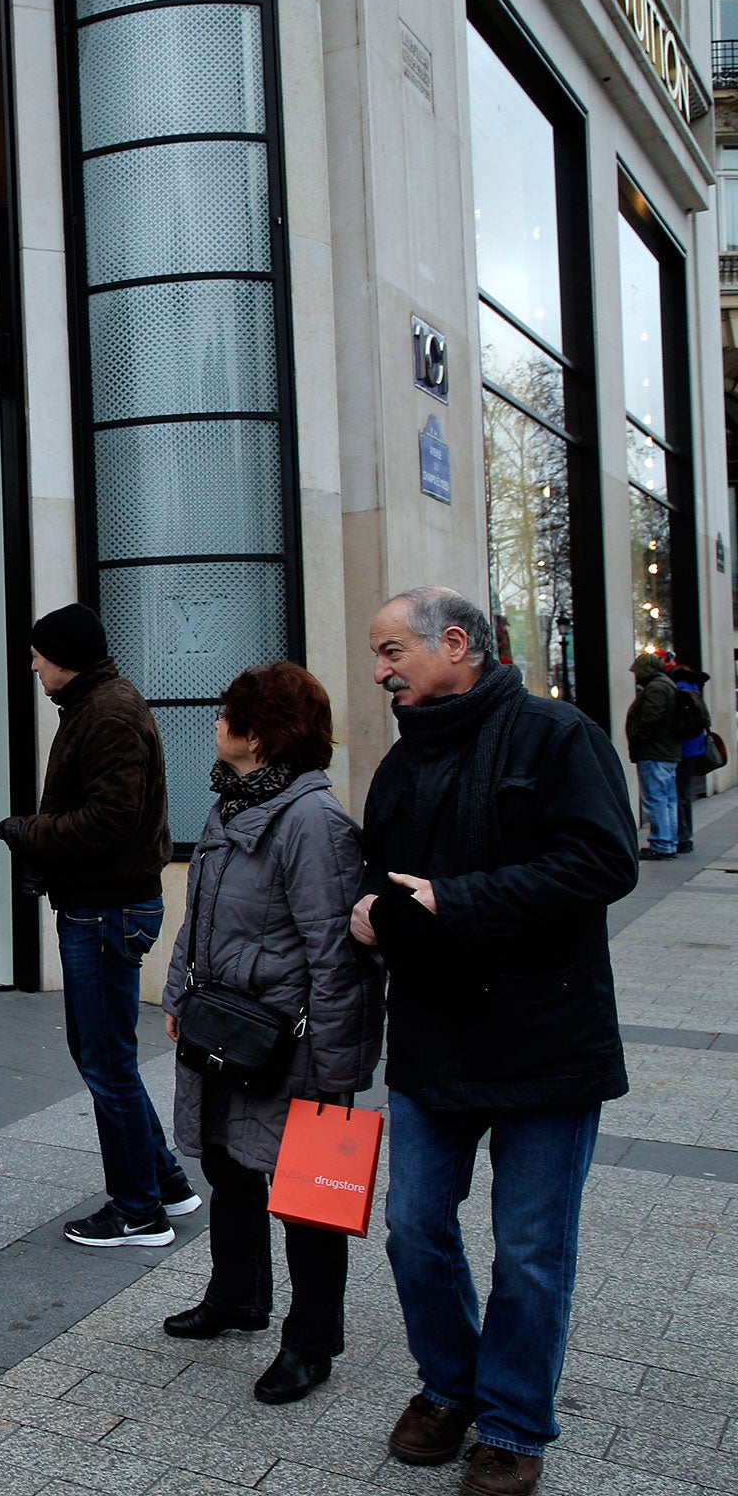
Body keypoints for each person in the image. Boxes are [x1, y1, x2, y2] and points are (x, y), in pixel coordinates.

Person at [351, 587, 636, 1496]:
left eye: (393, 651)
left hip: (546, 1042)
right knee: (411, 1229)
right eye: (379, 654)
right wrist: (370, 916)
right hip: (434, 1042)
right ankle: (450, 1385)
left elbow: (603, 861)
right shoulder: (401, 762)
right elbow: (382, 879)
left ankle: (512, 1425)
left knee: (530, 1250)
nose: (380, 671)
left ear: (457, 644)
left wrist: (455, 900)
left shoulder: (558, 737)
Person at [159, 662, 383, 1406]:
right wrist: (176, 995)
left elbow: (336, 951)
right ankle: (238, 1297)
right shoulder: (231, 804)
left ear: (258, 734)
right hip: (226, 1024)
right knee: (227, 1162)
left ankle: (311, 1341)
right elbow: (198, 916)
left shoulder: (314, 823)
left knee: (311, 1196)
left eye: (227, 715)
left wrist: (337, 1063)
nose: (216, 725)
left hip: (293, 1041)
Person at [0, 603, 200, 1247]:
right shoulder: (97, 705)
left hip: (106, 909)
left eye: (38, 654)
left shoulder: (108, 711)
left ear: (65, 657)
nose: (31, 664)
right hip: (104, 903)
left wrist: (29, 832)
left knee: (105, 1062)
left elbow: (110, 819)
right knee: (105, 1056)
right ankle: (164, 1181)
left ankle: (138, 1211)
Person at [625, 652, 684, 861]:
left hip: (655, 751)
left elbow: (651, 718)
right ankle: (668, 841)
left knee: (656, 798)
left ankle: (662, 842)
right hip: (665, 751)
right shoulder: (666, 684)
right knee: (667, 798)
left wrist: (638, 737)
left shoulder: (657, 688)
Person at [666, 658, 712, 854]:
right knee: (685, 793)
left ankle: (682, 837)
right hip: (695, 747)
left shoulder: (680, 690)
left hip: (681, 748)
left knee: (678, 794)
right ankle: (686, 836)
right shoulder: (695, 689)